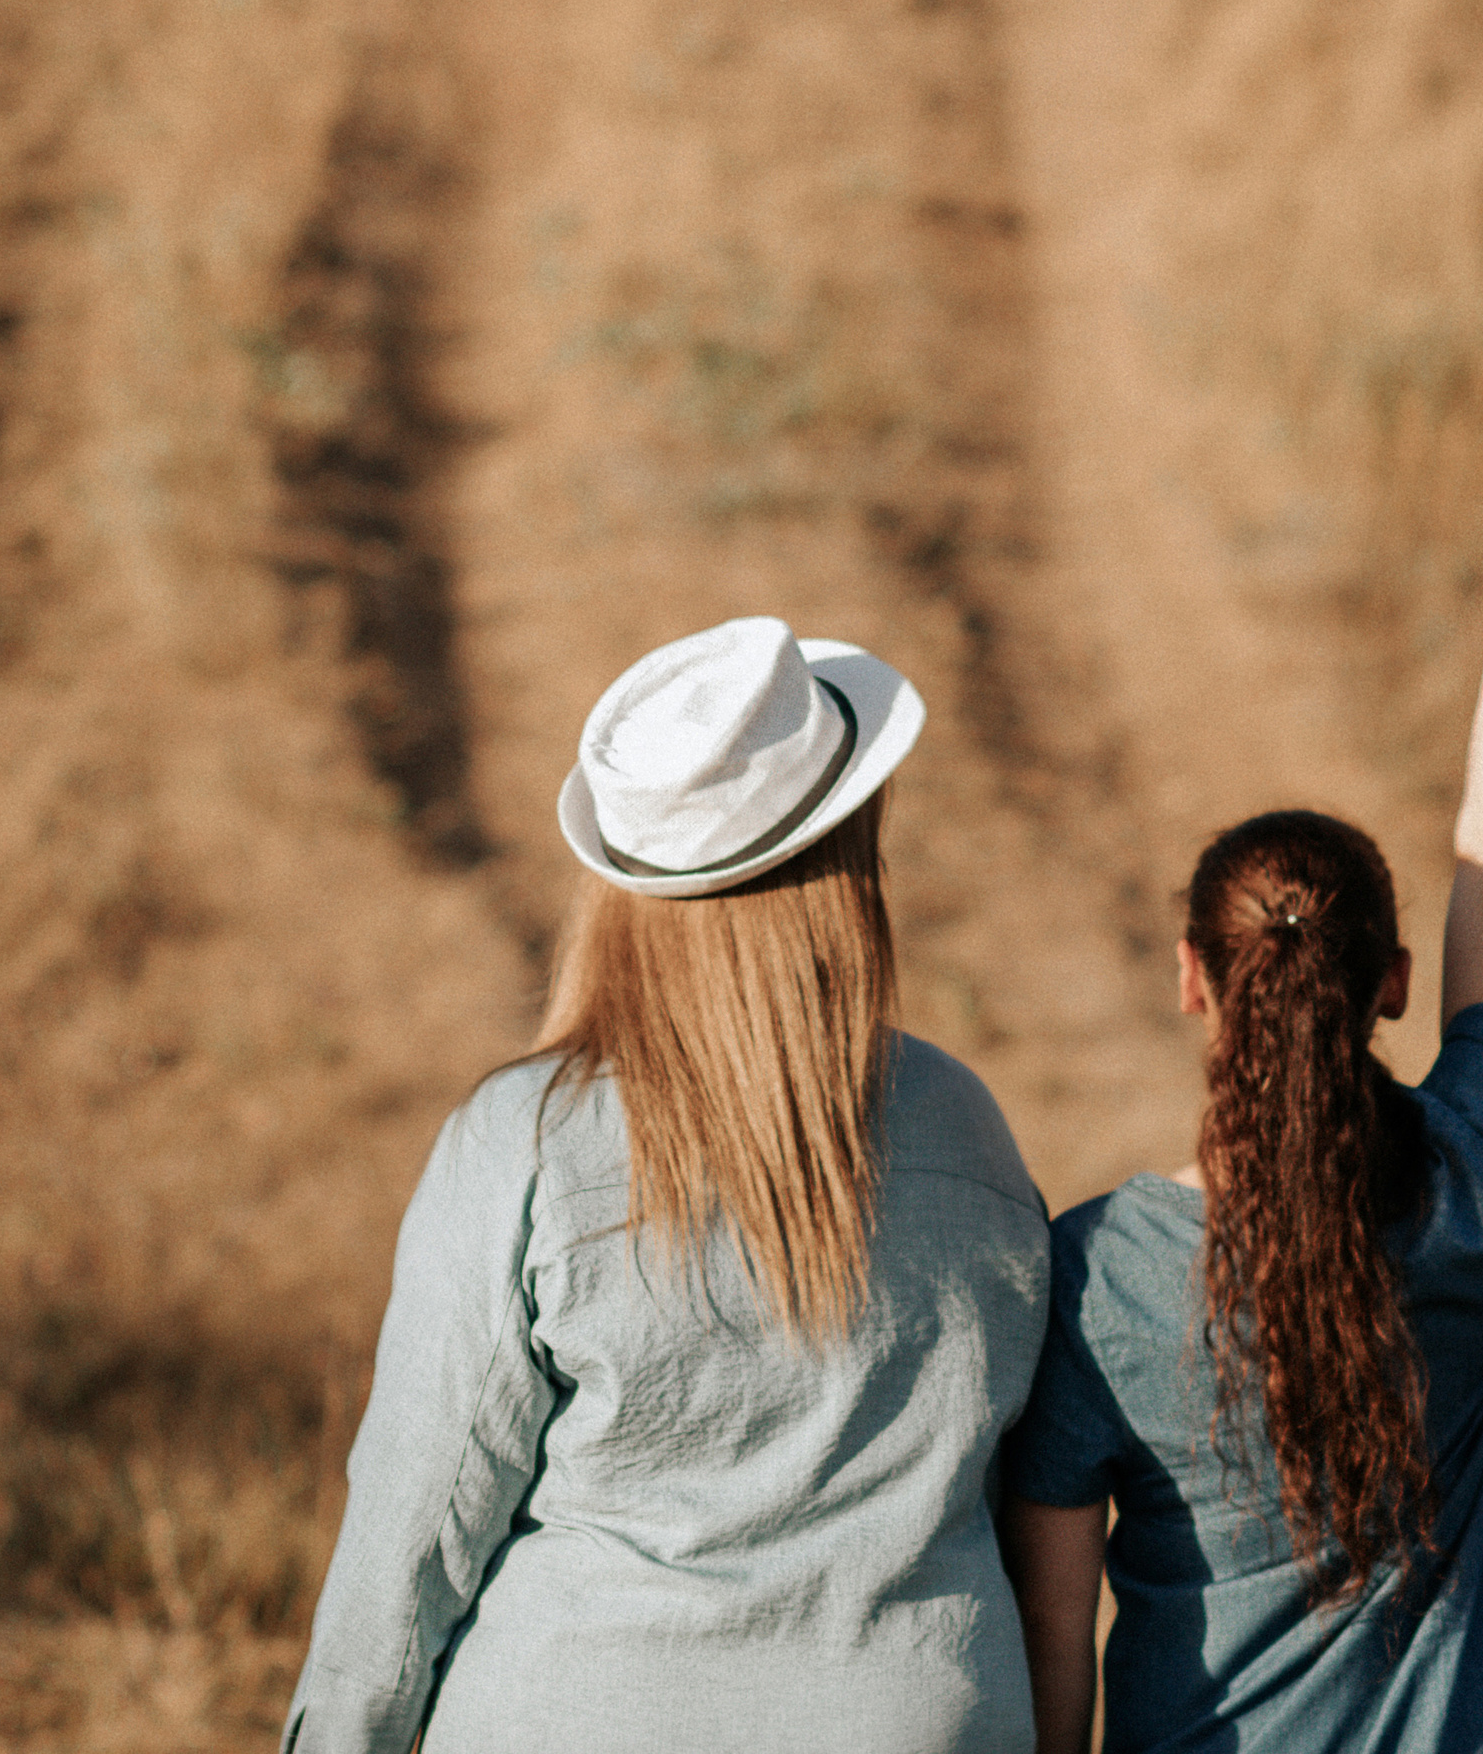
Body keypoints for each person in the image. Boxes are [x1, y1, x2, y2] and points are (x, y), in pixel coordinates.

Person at [284, 616, 1051, 1754]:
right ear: (851, 857)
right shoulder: (965, 1125)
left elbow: (422, 1515)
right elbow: (1009, 1467)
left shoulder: (530, 1141)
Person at [999, 366, 1483, 1754]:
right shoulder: (1476, 1177)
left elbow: (1054, 1641)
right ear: (1392, 988)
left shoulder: (1098, 1281)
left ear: (1193, 985)